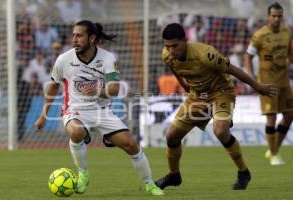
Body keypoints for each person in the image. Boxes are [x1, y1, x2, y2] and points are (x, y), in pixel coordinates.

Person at [34, 20, 164, 196]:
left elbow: (114, 90)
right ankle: (83, 173)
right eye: (73, 35)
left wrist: (97, 90)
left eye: (79, 35)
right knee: (77, 131)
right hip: (75, 109)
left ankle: (150, 184)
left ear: (92, 38)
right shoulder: (63, 60)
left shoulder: (107, 58)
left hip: (102, 111)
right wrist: (43, 115)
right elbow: (53, 86)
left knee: (131, 144)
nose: (74, 39)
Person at [154, 23, 277, 190]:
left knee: (220, 131)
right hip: (197, 96)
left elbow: (234, 70)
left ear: (185, 40)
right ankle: (174, 175)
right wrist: (185, 87)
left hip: (221, 92)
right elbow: (175, 68)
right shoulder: (167, 55)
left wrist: (258, 87)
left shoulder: (206, 54)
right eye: (167, 46)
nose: (171, 50)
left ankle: (243, 172)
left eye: (175, 45)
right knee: (171, 137)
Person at [245, 2, 293, 166]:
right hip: (267, 84)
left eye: (279, 16)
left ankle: (273, 149)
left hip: (284, 82)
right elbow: (248, 57)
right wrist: (251, 79)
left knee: (289, 116)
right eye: (274, 16)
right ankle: (274, 155)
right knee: (271, 118)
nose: (277, 19)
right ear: (268, 17)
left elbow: (290, 54)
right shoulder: (259, 35)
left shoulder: (287, 32)